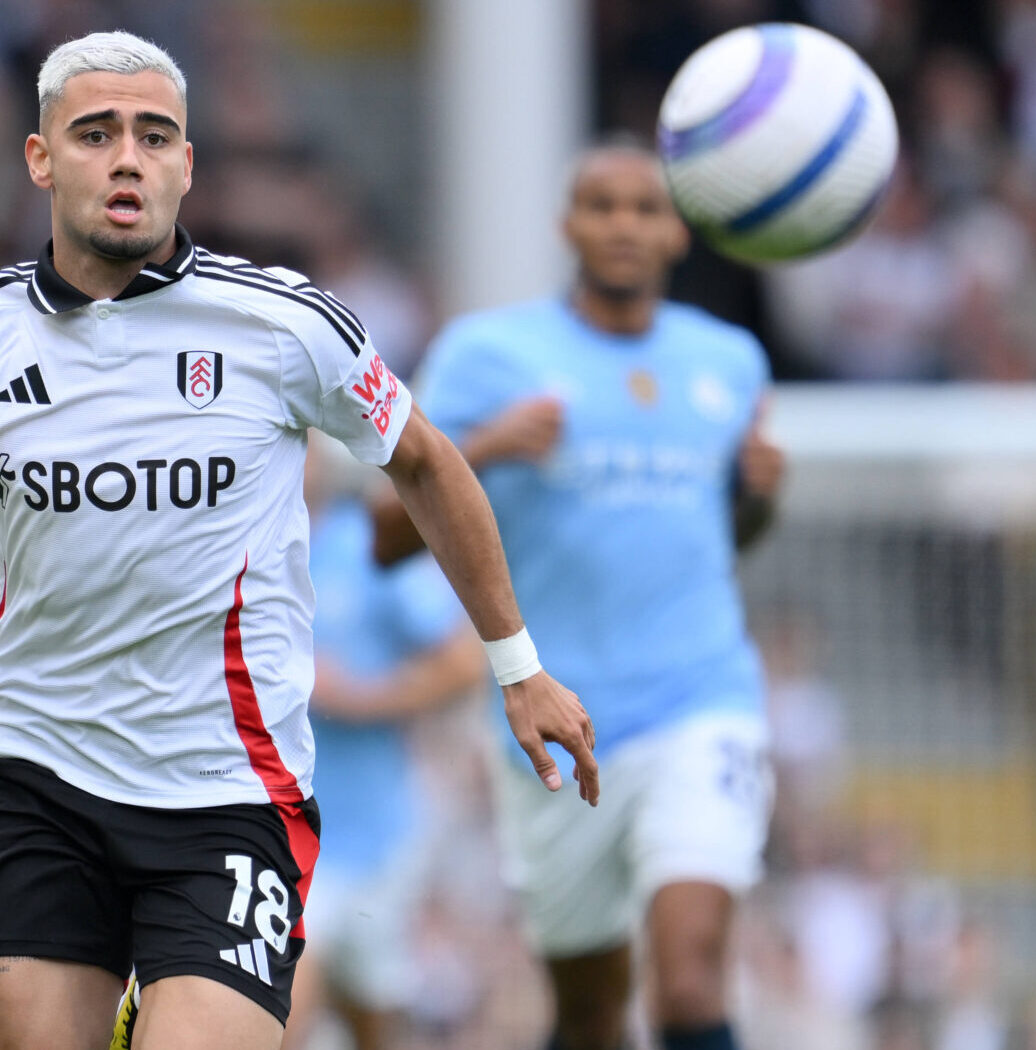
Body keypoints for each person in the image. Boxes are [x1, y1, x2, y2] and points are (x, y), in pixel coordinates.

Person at [0, 31, 597, 1050]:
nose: (127, 156)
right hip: (43, 781)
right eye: (96, 133)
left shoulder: (282, 325)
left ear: (186, 165)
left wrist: (517, 667)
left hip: (228, 795)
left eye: (154, 135)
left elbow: (427, 464)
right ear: (40, 158)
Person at [379, 140, 784, 1050]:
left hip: (701, 701)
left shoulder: (731, 362)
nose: (624, 225)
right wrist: (482, 445)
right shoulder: (489, 356)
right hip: (556, 720)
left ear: (678, 230)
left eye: (645, 208)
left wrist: (757, 495)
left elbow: (730, 535)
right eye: (601, 206)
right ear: (568, 224)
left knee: (687, 979)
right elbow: (384, 534)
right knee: (592, 1012)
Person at [283, 445, 486, 1050]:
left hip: (373, 837)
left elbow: (461, 664)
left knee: (372, 1019)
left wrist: (359, 697)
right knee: (284, 1008)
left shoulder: (363, 550)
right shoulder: (232, 553)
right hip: (276, 835)